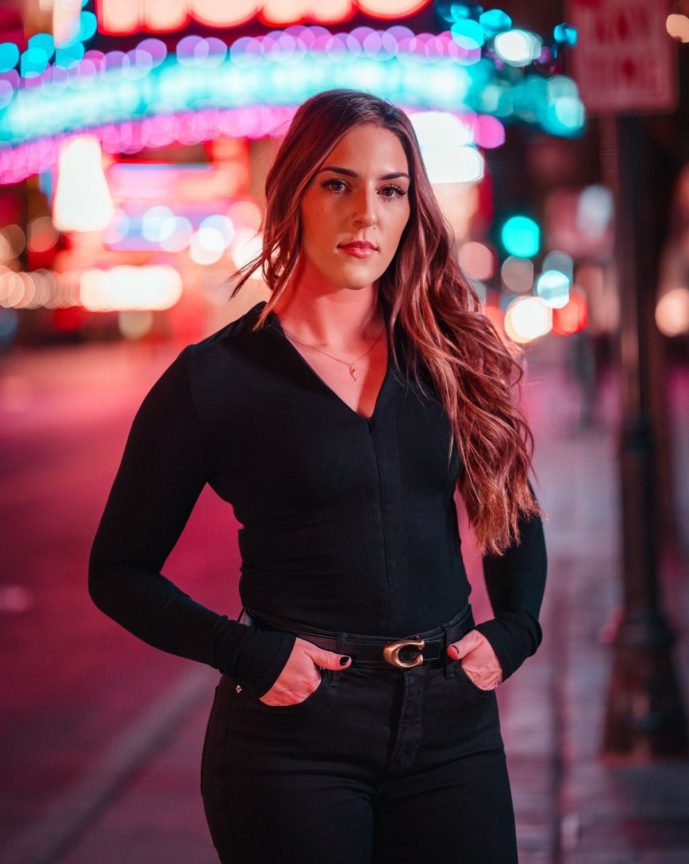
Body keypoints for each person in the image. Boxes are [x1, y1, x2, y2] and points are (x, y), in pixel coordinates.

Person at [89, 88, 547, 864]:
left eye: (390, 189)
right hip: (293, 739)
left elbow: (512, 516)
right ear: (293, 193)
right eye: (337, 183)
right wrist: (243, 654)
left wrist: (516, 630)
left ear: (411, 209)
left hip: (451, 731)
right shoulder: (216, 378)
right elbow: (118, 571)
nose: (366, 213)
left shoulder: (448, 357)